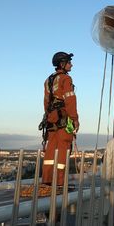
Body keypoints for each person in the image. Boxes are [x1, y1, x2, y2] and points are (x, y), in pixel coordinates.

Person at [40, 51, 79, 189]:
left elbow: (46, 101)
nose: (71, 65)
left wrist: (48, 115)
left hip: (51, 119)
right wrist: (74, 119)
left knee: (50, 150)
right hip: (63, 118)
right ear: (62, 64)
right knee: (63, 148)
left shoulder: (48, 80)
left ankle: (47, 180)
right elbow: (70, 99)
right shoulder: (65, 79)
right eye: (69, 62)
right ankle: (60, 182)